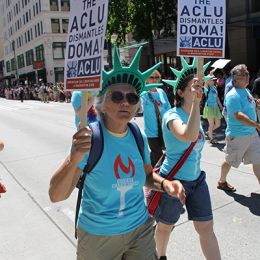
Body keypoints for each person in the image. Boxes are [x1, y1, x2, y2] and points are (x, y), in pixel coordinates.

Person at [49, 47, 185, 260]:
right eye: (117, 96)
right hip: (98, 236)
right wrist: (73, 158)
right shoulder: (89, 140)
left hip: (140, 228)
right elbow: (56, 195)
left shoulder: (136, 134)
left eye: (131, 98)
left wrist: (166, 185)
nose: (125, 102)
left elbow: (147, 176)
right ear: (102, 105)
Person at [155, 57, 221, 260]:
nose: (198, 89)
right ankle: (160, 256)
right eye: (193, 86)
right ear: (181, 92)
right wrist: (197, 106)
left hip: (196, 180)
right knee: (166, 226)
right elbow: (188, 136)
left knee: (206, 226)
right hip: (174, 180)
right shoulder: (171, 115)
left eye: (199, 85)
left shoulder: (195, 115)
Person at [218, 64, 260, 192]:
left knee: (258, 161)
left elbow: (248, 105)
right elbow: (238, 116)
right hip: (237, 136)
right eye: (243, 75)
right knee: (230, 161)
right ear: (235, 79)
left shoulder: (246, 90)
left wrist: (256, 102)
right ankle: (222, 181)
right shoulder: (232, 95)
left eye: (247, 73)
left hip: (252, 134)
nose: (247, 77)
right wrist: (257, 125)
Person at [141, 70, 171, 166]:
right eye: (151, 77)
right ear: (147, 80)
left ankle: (148, 169)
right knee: (157, 154)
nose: (154, 80)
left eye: (156, 77)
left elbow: (169, 109)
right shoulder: (144, 94)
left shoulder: (161, 92)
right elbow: (139, 109)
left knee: (165, 153)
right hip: (151, 131)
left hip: (164, 129)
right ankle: (155, 174)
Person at [203, 78, 223, 144]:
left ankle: (209, 132)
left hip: (216, 107)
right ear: (208, 81)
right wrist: (209, 75)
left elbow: (217, 97)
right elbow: (205, 83)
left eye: (214, 80)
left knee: (218, 124)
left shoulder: (214, 87)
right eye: (212, 80)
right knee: (211, 124)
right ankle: (211, 138)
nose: (214, 81)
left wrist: (220, 106)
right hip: (209, 107)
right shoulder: (206, 88)